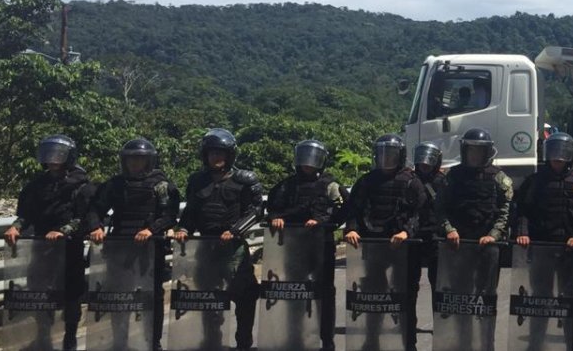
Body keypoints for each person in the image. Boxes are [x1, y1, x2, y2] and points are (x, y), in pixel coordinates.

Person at [173, 128, 264, 351]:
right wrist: (183, 228)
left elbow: (256, 210)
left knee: (245, 296)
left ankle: (243, 342)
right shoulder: (197, 181)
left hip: (233, 248)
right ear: (205, 154)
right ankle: (211, 340)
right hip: (205, 247)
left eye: (221, 153)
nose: (217, 157)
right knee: (208, 297)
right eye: (212, 153)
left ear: (230, 155)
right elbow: (190, 212)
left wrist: (236, 230)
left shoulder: (245, 179)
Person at [87, 138, 180, 351]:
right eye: (131, 159)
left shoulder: (161, 185)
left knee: (152, 297)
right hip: (119, 247)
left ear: (149, 161)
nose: (135, 163)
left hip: (150, 248)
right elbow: (95, 208)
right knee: (119, 297)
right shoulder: (115, 184)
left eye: (140, 159)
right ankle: (119, 342)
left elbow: (170, 215)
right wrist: (96, 227)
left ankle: (153, 342)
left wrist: (151, 230)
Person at [3, 134, 95, 351]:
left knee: (72, 295)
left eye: (59, 153)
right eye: (50, 153)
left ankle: (69, 339)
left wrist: (63, 231)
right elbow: (27, 213)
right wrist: (16, 226)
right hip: (41, 246)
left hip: (69, 248)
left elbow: (85, 217)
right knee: (39, 292)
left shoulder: (81, 185)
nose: (53, 158)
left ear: (69, 156)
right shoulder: (36, 185)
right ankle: (43, 335)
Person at [513, 131, 573, 351]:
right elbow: (523, 211)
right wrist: (523, 232)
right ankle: (536, 345)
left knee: (569, 300)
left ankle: (572, 346)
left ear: (571, 154)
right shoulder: (534, 181)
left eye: (562, 152)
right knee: (540, 299)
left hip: (569, 252)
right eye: (553, 151)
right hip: (541, 249)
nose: (557, 157)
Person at [343, 134, 427, 351]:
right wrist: (351, 229)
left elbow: (420, 213)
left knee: (405, 297)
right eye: (382, 153)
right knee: (373, 297)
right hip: (374, 247)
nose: (385, 158)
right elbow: (353, 210)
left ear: (400, 156)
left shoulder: (412, 182)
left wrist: (407, 232)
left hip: (403, 249)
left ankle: (408, 343)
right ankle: (371, 341)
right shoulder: (366, 181)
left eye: (390, 154)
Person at [265, 139, 347, 351]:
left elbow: (344, 211)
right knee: (294, 292)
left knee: (325, 294)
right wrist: (275, 218)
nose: (308, 164)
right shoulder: (286, 186)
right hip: (294, 246)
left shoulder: (331, 185)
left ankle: (327, 341)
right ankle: (295, 337)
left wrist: (322, 221)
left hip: (322, 245)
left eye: (313, 159)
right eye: (304, 159)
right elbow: (271, 207)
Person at [438, 128, 515, 348]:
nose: (474, 155)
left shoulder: (499, 178)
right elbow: (440, 207)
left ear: (487, 152)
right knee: (460, 301)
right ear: (464, 150)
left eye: (479, 151)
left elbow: (505, 211)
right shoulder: (452, 177)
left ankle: (485, 345)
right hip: (457, 247)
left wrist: (493, 235)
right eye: (471, 150)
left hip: (487, 248)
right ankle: (463, 344)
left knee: (484, 301)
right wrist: (449, 229)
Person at [409, 141, 448, 351]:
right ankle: (409, 339)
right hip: (413, 239)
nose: (424, 164)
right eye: (422, 160)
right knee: (409, 289)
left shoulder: (445, 182)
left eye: (429, 160)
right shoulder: (409, 180)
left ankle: (441, 334)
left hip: (436, 239)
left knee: (439, 288)